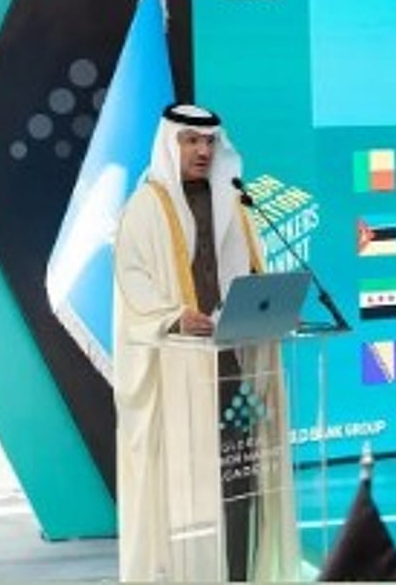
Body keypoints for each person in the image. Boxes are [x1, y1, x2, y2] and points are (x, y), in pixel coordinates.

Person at [112, 103, 298, 582]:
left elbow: (248, 274)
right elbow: (133, 284)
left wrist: (269, 307)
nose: (202, 150)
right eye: (191, 141)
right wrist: (175, 317)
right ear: (170, 144)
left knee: (241, 474)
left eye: (210, 142)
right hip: (179, 373)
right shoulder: (145, 208)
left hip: (233, 365)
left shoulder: (234, 203)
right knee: (195, 480)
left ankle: (239, 573)